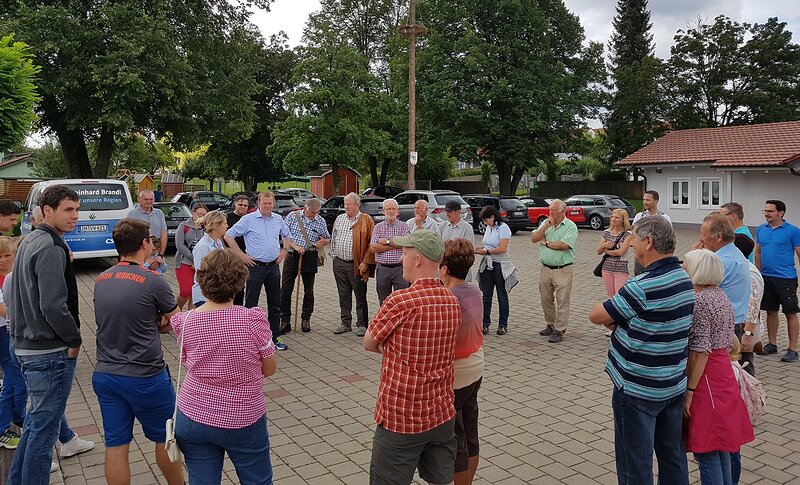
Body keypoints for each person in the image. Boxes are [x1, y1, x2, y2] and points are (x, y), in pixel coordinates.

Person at [588, 216, 695, 485]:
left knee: (634, 463)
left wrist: (619, 318)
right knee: (672, 456)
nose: (631, 243)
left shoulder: (642, 286)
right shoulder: (684, 277)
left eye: (634, 238)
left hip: (637, 389)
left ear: (648, 242)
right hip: (672, 385)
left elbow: (596, 315)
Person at [172, 249, 278, 485]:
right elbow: (270, 368)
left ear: (201, 279)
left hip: (192, 414)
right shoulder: (252, 319)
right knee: (257, 481)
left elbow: (187, 359)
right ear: (240, 282)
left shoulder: (184, 321)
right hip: (242, 416)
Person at [364, 229, 460, 485]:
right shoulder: (451, 299)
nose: (401, 259)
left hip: (401, 416)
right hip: (441, 412)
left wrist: (395, 351)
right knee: (442, 480)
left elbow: (369, 342)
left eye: (405, 253)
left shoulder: (401, 300)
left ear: (418, 259)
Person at [92, 218, 184, 485]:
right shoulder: (152, 281)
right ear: (145, 244)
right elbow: (176, 323)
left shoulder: (101, 279)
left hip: (106, 374)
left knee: (116, 444)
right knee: (164, 437)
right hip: (145, 376)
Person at [7, 185, 84, 484]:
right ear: (47, 210)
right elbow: (53, 305)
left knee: (38, 425)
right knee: (44, 431)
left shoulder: (32, 239)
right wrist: (74, 339)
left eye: (77, 209)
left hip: (27, 346)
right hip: (48, 352)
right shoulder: (50, 246)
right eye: (68, 209)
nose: (75, 216)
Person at [681, 249, 754, 485]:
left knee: (708, 447)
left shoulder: (700, 300)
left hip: (707, 377)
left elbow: (701, 350)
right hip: (722, 370)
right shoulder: (719, 294)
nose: (683, 268)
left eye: (686, 264)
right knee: (722, 444)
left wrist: (690, 391)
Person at [439, 239, 484, 485]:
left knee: (455, 440)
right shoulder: (474, 290)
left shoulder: (448, 299)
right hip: (476, 367)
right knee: (470, 430)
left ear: (444, 268)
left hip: (457, 374)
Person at [224, 191, 291, 350]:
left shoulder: (278, 219)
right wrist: (241, 255)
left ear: (273, 203)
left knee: (275, 303)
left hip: (273, 267)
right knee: (251, 304)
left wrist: (284, 251)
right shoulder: (248, 219)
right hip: (255, 268)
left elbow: (287, 235)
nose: (267, 206)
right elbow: (228, 236)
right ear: (258, 203)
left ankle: (274, 336)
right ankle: (248, 338)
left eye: (270, 203)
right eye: (264, 203)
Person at [695, 214, 753, 374]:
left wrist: (693, 257)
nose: (701, 239)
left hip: (723, 329)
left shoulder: (722, 262)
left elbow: (694, 289)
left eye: (703, 234)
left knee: (723, 376)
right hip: (731, 325)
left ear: (718, 237)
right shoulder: (730, 254)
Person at [755, 199, 800, 363]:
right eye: (765, 210)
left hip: (786, 278)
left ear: (780, 213)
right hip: (767, 277)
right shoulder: (761, 229)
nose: (766, 214)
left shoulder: (793, 231)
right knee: (770, 311)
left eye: (770, 211)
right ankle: (772, 344)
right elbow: (758, 252)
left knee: (790, 313)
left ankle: (793, 349)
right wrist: (758, 273)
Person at [280, 198, 330, 332]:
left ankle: (306, 318)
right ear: (305, 208)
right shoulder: (293, 216)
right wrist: (295, 246)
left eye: (316, 212)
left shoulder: (320, 221)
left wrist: (323, 242)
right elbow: (284, 235)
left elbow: (327, 237)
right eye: (311, 212)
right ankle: (285, 320)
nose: (313, 215)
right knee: (286, 289)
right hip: (292, 255)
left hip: (309, 255)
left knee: (309, 289)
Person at [531, 199, 578, 343]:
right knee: (546, 299)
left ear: (563, 212)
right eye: (549, 210)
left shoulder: (570, 226)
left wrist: (545, 242)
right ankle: (550, 324)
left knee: (562, 300)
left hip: (563, 269)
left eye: (553, 210)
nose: (550, 213)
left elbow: (563, 245)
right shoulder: (545, 224)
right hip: (545, 268)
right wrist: (545, 227)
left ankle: (560, 330)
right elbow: (534, 238)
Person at [330, 192, 375, 337]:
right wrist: (334, 255)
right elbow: (334, 237)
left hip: (357, 265)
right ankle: (345, 323)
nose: (346, 207)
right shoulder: (340, 218)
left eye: (349, 204)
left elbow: (371, 244)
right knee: (343, 294)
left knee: (360, 295)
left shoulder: (366, 220)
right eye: (345, 204)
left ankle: (362, 324)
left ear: (357, 205)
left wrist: (366, 262)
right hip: (339, 263)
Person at [475, 206, 517, 335]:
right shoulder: (489, 227)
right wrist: (480, 248)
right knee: (486, 296)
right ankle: (485, 323)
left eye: (486, 220)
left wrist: (486, 251)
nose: (485, 223)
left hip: (500, 265)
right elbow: (489, 243)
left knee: (502, 296)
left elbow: (502, 248)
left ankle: (503, 324)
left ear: (493, 217)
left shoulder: (503, 228)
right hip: (487, 264)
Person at [0, 237, 24, 450]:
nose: (3, 260)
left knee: (12, 380)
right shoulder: (4, 280)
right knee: (15, 381)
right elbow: (5, 310)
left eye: (7, 256)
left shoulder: (9, 277)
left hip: (8, 330)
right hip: (4, 332)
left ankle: (16, 419)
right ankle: (7, 425)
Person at [370, 198, 411, 306]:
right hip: (382, 269)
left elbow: (405, 244)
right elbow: (373, 248)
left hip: (400, 269)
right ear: (383, 211)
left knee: (402, 301)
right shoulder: (378, 227)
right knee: (384, 302)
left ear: (398, 211)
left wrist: (385, 241)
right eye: (388, 208)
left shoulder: (404, 226)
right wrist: (394, 244)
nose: (391, 211)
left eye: (393, 208)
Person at [734, 234, 765, 367]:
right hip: (739, 326)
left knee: (745, 367)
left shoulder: (750, 272)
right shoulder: (739, 267)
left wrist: (747, 334)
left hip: (744, 328)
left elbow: (753, 305)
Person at [174, 204, 207, 310]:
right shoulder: (184, 226)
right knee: (186, 290)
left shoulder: (206, 227)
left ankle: (191, 316)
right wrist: (193, 257)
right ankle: (175, 310)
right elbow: (179, 245)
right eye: (200, 214)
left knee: (195, 292)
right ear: (193, 214)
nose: (201, 216)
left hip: (200, 263)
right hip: (184, 261)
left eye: (204, 214)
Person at [192, 211, 227, 308]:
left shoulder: (218, 242)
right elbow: (202, 273)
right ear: (216, 226)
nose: (227, 226)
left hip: (217, 293)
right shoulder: (203, 247)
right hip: (205, 296)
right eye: (224, 223)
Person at [632, 190, 672, 275]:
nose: (645, 202)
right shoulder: (639, 216)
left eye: (648, 200)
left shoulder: (664, 218)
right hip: (641, 258)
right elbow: (633, 235)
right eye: (644, 200)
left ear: (656, 201)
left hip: (657, 258)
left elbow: (669, 239)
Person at [596, 208, 633, 297]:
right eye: (612, 217)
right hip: (606, 268)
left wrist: (606, 251)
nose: (613, 219)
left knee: (620, 296)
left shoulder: (627, 234)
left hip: (620, 269)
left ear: (623, 220)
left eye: (617, 217)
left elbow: (621, 252)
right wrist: (604, 246)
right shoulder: (606, 233)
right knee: (611, 296)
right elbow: (598, 251)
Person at [438, 200, 476, 281]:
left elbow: (468, 250)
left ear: (458, 211)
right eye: (446, 212)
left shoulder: (467, 228)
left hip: (460, 270)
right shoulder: (442, 226)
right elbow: (437, 245)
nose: (447, 214)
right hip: (445, 270)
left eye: (450, 212)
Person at [128, 190, 168, 262]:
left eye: (151, 199)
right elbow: (132, 238)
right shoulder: (132, 215)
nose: (149, 202)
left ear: (154, 199)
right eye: (146, 199)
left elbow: (164, 234)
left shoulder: (159, 213)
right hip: (141, 255)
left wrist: (160, 255)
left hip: (157, 255)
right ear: (139, 199)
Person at [226, 194, 250, 305]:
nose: (243, 207)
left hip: (246, 257)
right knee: (229, 285)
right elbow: (222, 237)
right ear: (235, 204)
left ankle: (239, 310)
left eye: (245, 205)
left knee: (241, 287)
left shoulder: (250, 219)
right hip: (230, 256)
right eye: (240, 204)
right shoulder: (227, 218)